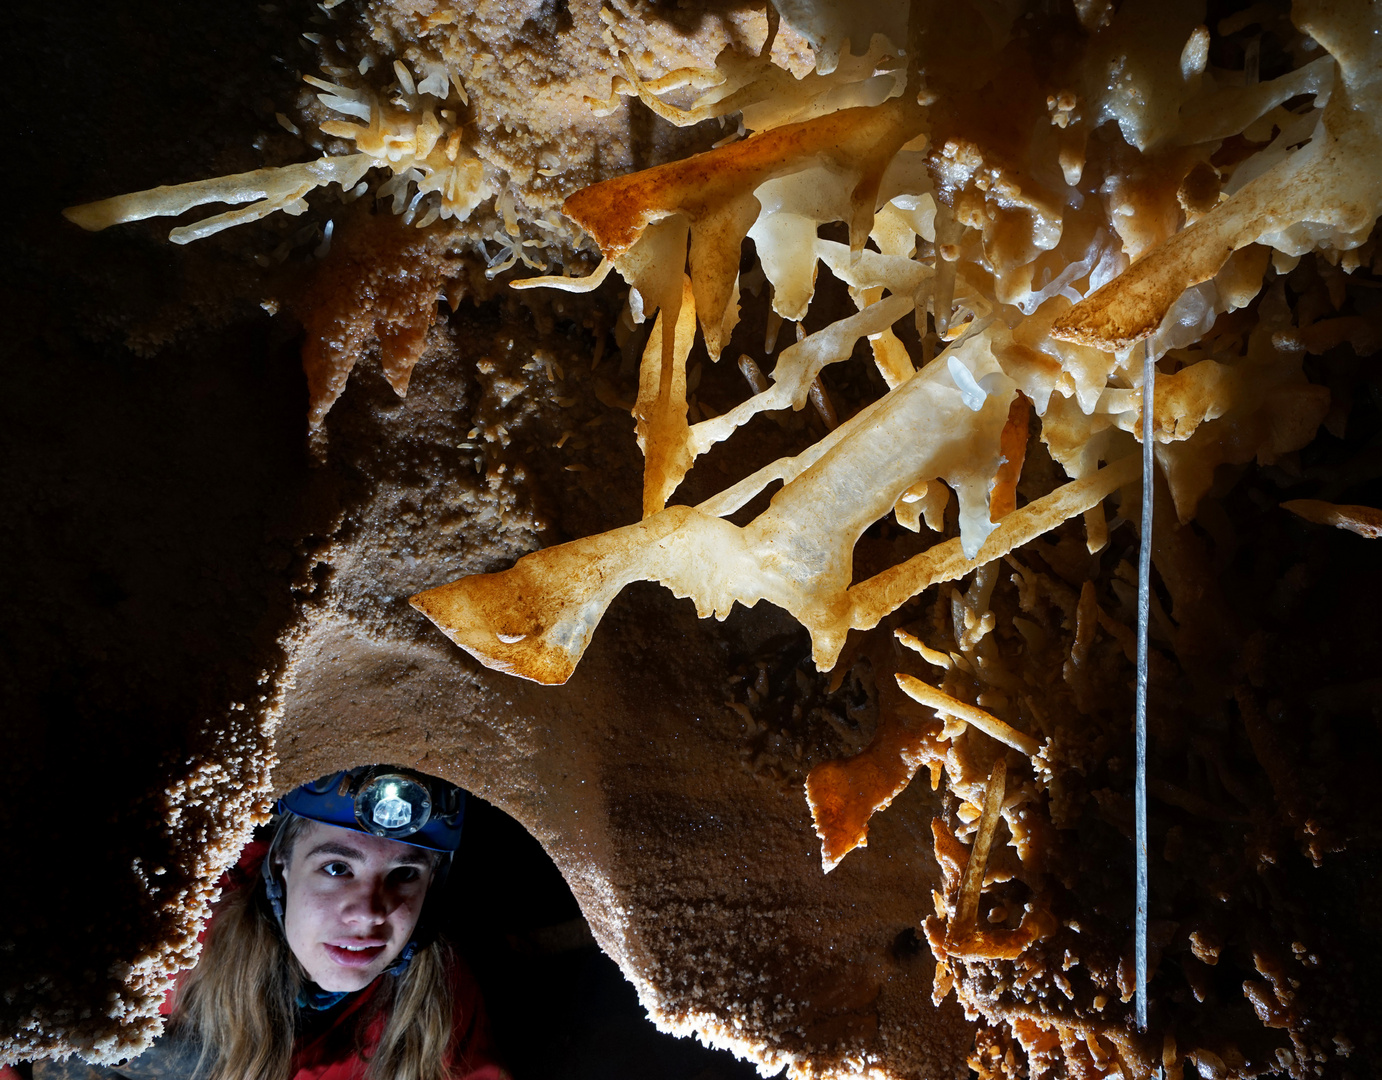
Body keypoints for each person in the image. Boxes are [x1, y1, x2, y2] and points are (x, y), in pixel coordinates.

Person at [31, 767, 507, 1080]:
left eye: (404, 875)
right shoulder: (162, 942)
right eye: (337, 868)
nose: (368, 912)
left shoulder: (439, 999)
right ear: (281, 860)